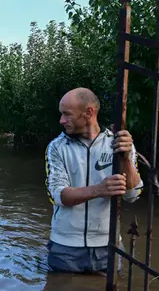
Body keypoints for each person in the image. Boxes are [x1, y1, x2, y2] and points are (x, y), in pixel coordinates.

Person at [45, 87, 143, 273]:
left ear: (89, 112)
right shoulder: (57, 147)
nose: (62, 120)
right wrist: (99, 189)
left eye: (67, 114)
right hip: (65, 248)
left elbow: (133, 194)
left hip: (109, 246)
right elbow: (57, 195)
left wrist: (126, 156)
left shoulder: (118, 142)